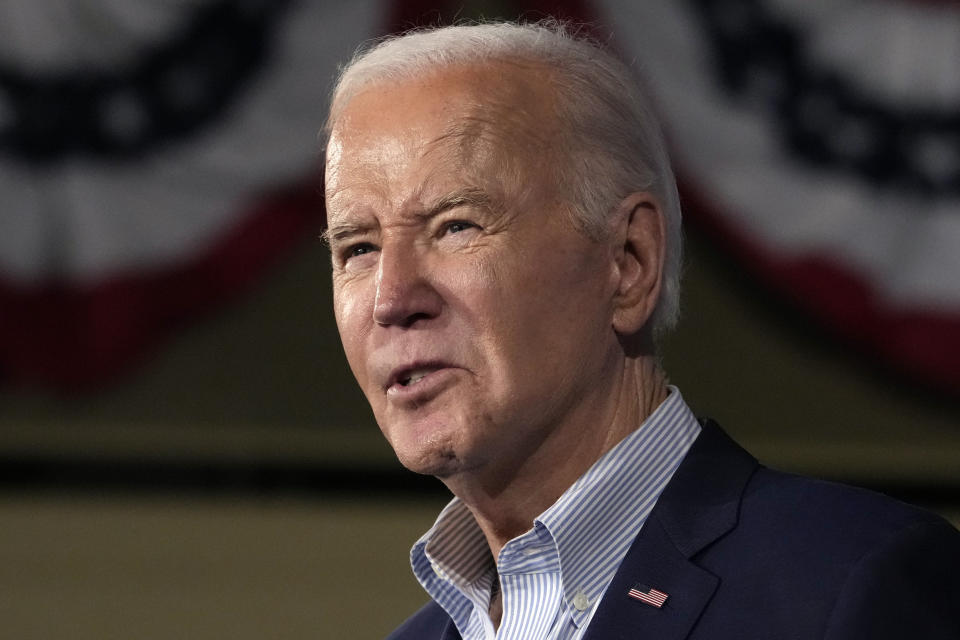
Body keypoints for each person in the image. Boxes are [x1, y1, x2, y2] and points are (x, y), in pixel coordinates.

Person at [321, 21, 960, 640]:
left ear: (629, 261)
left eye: (455, 226)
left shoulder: (849, 585)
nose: (392, 299)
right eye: (357, 249)